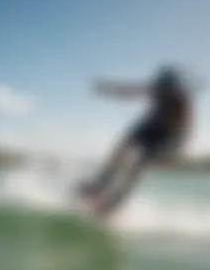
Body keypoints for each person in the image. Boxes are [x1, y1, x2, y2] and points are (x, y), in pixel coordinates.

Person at [78, 65, 195, 217]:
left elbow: (186, 131)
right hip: (151, 125)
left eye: (165, 90)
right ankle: (99, 184)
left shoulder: (181, 101)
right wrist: (108, 89)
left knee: (137, 166)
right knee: (123, 146)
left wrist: (174, 151)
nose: (160, 93)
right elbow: (131, 90)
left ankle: (113, 203)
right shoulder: (158, 88)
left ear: (173, 87)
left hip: (169, 136)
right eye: (159, 88)